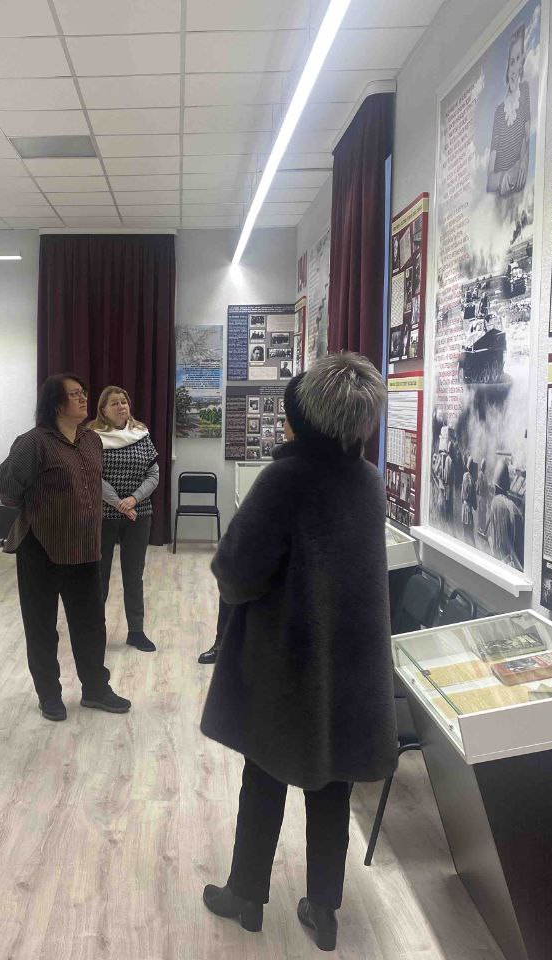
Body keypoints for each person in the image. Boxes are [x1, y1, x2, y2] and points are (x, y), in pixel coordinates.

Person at [199, 353, 396, 952]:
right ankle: (324, 909)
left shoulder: (285, 479)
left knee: (263, 777)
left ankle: (246, 896)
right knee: (332, 786)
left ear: (304, 417)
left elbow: (236, 570)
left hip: (285, 660)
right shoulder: (368, 481)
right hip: (351, 666)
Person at [0, 374, 131, 721]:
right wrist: (42, 508)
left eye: (84, 392)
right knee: (41, 626)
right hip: (41, 546)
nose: (84, 398)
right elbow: (8, 490)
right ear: (56, 404)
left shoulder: (91, 440)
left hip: (85, 547)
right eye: (75, 394)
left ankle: (96, 690)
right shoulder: (33, 442)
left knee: (91, 624)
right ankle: (49, 695)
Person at [91, 386, 160, 653]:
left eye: (124, 402)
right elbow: (92, 477)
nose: (121, 406)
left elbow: (153, 475)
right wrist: (119, 503)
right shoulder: (92, 437)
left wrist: (133, 499)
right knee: (99, 576)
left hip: (138, 514)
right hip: (104, 514)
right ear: (103, 410)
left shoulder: (141, 434)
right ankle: (95, 633)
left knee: (134, 575)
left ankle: (136, 632)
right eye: (114, 403)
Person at [487, 25, 531, 198]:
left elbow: (527, 142)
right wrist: (503, 178)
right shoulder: (499, 113)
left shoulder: (525, 91)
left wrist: (524, 161)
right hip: (501, 203)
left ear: (522, 64)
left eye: (519, 59)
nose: (515, 68)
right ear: (507, 68)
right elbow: (490, 182)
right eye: (512, 61)